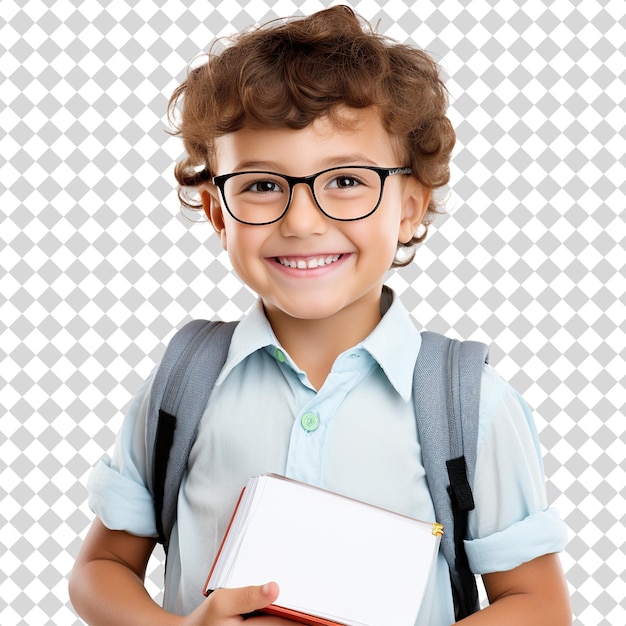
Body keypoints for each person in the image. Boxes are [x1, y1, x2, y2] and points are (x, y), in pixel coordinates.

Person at [69, 6, 571, 625]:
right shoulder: (183, 383)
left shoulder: (469, 404)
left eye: (346, 182)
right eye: (260, 185)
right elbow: (100, 570)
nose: (302, 221)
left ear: (411, 208)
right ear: (217, 214)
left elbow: (538, 604)